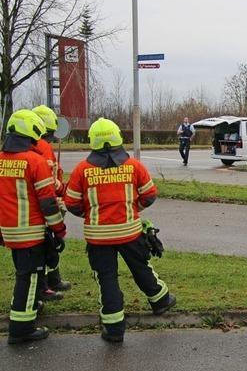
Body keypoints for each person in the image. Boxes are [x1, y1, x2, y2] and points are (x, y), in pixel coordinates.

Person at [64, 118, 176, 342]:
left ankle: (114, 329)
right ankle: (161, 300)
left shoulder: (82, 170)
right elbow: (150, 195)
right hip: (129, 231)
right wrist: (134, 208)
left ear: (92, 141)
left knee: (107, 278)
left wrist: (91, 215)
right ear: (118, 138)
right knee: (141, 267)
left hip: (98, 236)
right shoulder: (133, 165)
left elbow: (71, 203)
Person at [0, 109, 66, 344]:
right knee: (27, 279)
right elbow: (48, 203)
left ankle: (32, 307)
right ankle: (21, 329)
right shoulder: (34, 161)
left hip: (9, 231)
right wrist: (59, 230)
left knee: (25, 275)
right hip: (30, 230)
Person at [32, 105, 71, 301]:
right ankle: (46, 285)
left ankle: (52, 279)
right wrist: (62, 190)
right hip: (46, 202)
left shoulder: (31, 145)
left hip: (35, 203)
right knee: (49, 244)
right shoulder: (43, 147)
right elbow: (48, 179)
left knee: (49, 243)